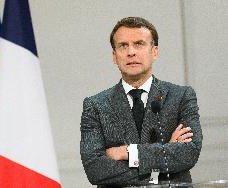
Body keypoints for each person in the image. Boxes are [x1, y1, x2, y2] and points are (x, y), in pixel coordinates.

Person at [80, 17, 203, 187]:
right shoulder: (95, 105)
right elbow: (96, 171)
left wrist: (128, 152)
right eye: (123, 45)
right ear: (114, 56)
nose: (131, 52)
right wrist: (165, 155)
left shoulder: (182, 96)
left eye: (139, 44)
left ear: (155, 52)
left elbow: (189, 153)